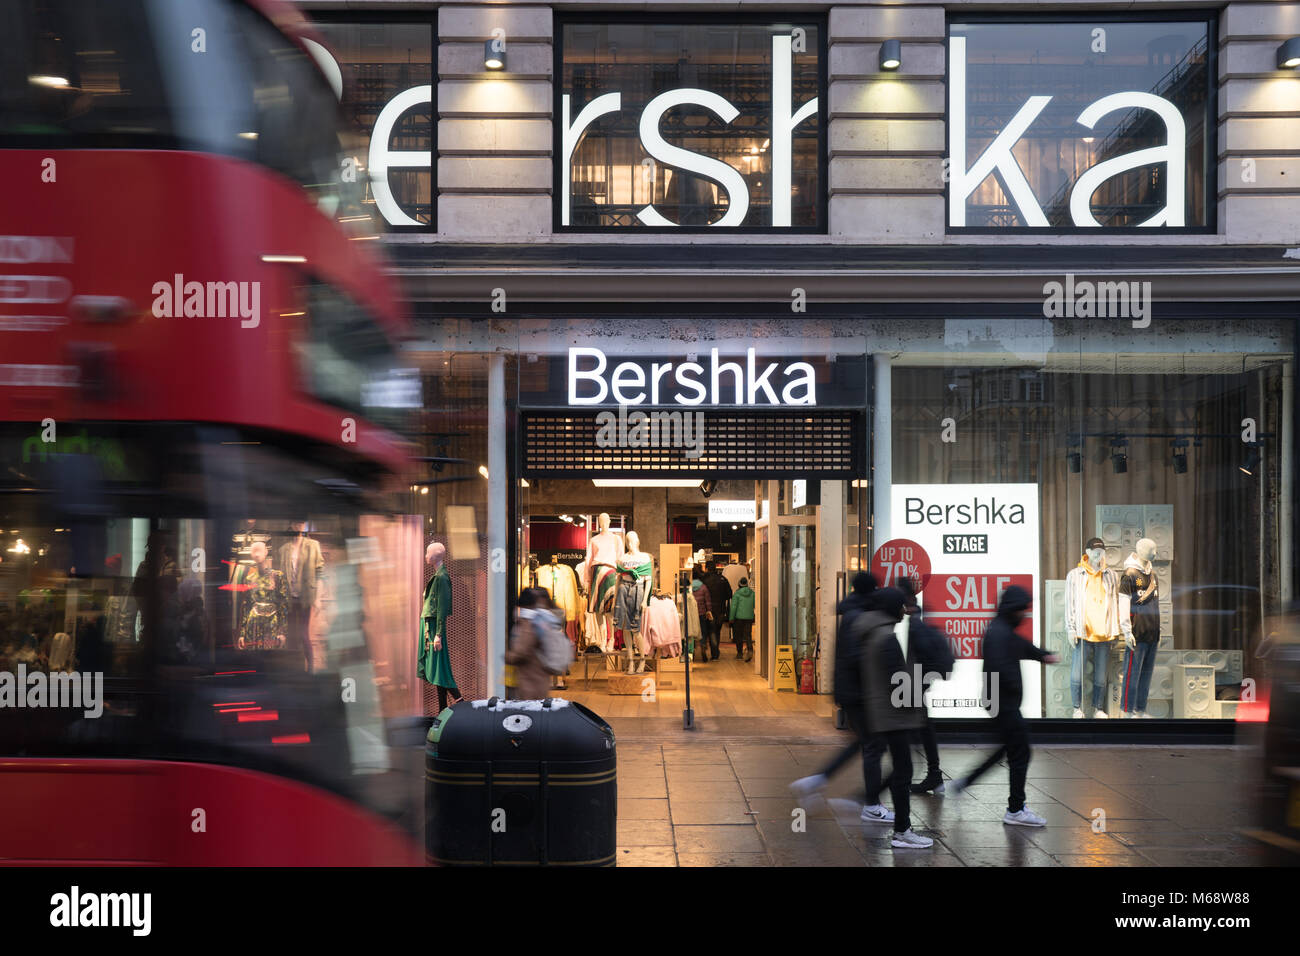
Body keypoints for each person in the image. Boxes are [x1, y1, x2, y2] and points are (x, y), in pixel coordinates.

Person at [950, 585, 1059, 826]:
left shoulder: (1003, 629)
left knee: (1006, 750)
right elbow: (1001, 665)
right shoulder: (999, 632)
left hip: (1000, 700)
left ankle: (963, 784)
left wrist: (1043, 655)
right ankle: (1016, 809)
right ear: (1014, 609)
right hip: (1003, 702)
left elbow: (1022, 647)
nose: (1025, 615)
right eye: (1023, 610)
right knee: (1020, 752)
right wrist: (1014, 687)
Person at [789, 573, 880, 812]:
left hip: (851, 690)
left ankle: (818, 781)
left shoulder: (851, 613)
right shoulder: (857, 616)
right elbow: (855, 658)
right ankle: (869, 803)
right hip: (858, 693)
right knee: (872, 744)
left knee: (864, 742)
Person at [899, 577, 955, 794]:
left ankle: (932, 774)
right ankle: (934, 774)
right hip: (915, 684)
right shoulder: (915, 619)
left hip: (914, 685)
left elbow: (918, 656)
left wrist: (914, 684)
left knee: (918, 728)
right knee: (923, 727)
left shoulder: (914, 623)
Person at [506, 588, 553, 700]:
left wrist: (508, 656)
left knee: (529, 713)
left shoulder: (528, 623)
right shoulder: (541, 620)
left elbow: (522, 651)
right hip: (538, 678)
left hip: (530, 682)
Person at [702, 562, 732, 661]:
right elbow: (729, 594)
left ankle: (714, 653)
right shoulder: (723, 579)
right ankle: (715, 652)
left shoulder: (704, 580)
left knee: (711, 631)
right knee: (716, 631)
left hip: (708, 610)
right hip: (720, 609)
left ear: (706, 568)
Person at [729, 577, 756, 661]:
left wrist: (731, 618)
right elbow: (755, 605)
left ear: (739, 584)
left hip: (738, 618)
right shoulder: (753, 593)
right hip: (749, 617)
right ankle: (750, 649)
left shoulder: (737, 594)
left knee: (738, 636)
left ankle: (739, 654)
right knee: (748, 635)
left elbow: (733, 607)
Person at [690, 573, 714, 663]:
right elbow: (707, 601)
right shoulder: (704, 587)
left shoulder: (689, 587)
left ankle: (692, 651)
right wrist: (709, 610)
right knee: (703, 631)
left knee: (692, 632)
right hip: (702, 613)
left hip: (692, 614)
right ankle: (703, 647)